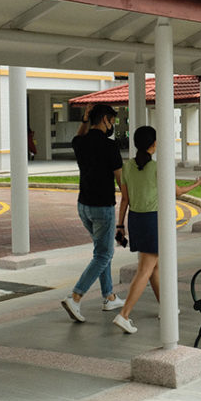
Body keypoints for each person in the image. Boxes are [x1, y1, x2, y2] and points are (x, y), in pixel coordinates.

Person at [112, 125, 201, 334]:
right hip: (153, 220)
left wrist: (120, 225)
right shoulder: (157, 168)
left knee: (154, 267)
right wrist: (197, 184)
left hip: (135, 219)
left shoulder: (127, 167)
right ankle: (124, 315)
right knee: (145, 269)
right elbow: (177, 192)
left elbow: (125, 199)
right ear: (154, 144)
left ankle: (166, 307)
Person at [61, 103, 125, 323]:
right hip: (102, 208)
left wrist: (85, 119)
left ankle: (109, 296)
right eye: (112, 121)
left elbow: (79, 136)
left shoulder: (80, 142)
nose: (112, 125)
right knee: (103, 255)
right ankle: (75, 297)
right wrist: (129, 204)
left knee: (102, 251)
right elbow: (121, 181)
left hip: (84, 207)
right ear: (105, 119)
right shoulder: (110, 146)